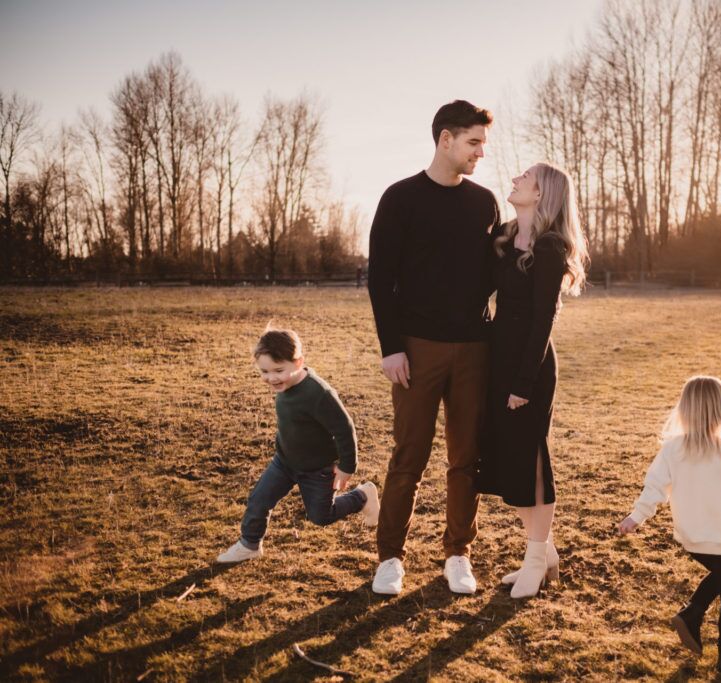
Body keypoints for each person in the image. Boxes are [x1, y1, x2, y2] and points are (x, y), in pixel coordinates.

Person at [367, 100, 500, 595]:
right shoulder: (400, 198)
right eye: (473, 142)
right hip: (416, 349)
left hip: (474, 350)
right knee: (409, 456)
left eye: (483, 144)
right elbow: (381, 280)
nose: (481, 152)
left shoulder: (485, 203)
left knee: (466, 459)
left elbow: (492, 275)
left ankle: (458, 554)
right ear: (445, 139)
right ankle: (390, 559)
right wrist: (391, 347)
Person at [476, 162, 589, 599]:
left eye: (525, 178)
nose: (515, 180)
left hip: (531, 367)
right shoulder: (506, 238)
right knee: (509, 460)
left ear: (541, 194)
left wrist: (523, 384)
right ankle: (546, 553)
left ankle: (535, 559)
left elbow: (543, 320)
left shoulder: (550, 247)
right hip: (499, 361)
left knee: (531, 461)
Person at [617, 376, 721, 678]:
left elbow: (655, 487)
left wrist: (635, 517)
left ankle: (693, 613)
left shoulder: (673, 449)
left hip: (691, 539)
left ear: (684, 410)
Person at [216, 328, 379, 563]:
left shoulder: (319, 393)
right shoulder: (284, 385)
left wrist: (347, 466)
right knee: (259, 499)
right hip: (284, 462)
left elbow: (344, 429)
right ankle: (249, 544)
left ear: (299, 362)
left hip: (318, 469)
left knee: (321, 516)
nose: (272, 378)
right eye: (264, 371)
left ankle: (362, 496)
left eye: (278, 370)